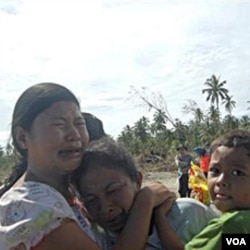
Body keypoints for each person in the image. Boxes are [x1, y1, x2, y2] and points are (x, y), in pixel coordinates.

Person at [0, 82, 172, 250]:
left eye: (79, 123)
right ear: (23, 138)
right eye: (59, 125)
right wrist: (145, 200)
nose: (74, 135)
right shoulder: (30, 207)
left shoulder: (71, 193)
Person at [72, 137, 218, 250]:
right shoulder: (95, 241)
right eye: (91, 200)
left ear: (137, 180)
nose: (105, 208)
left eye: (112, 190)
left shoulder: (188, 214)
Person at [148, 129, 250, 250]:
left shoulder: (229, 225)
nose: (221, 181)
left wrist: (159, 217)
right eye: (215, 171)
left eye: (237, 172)